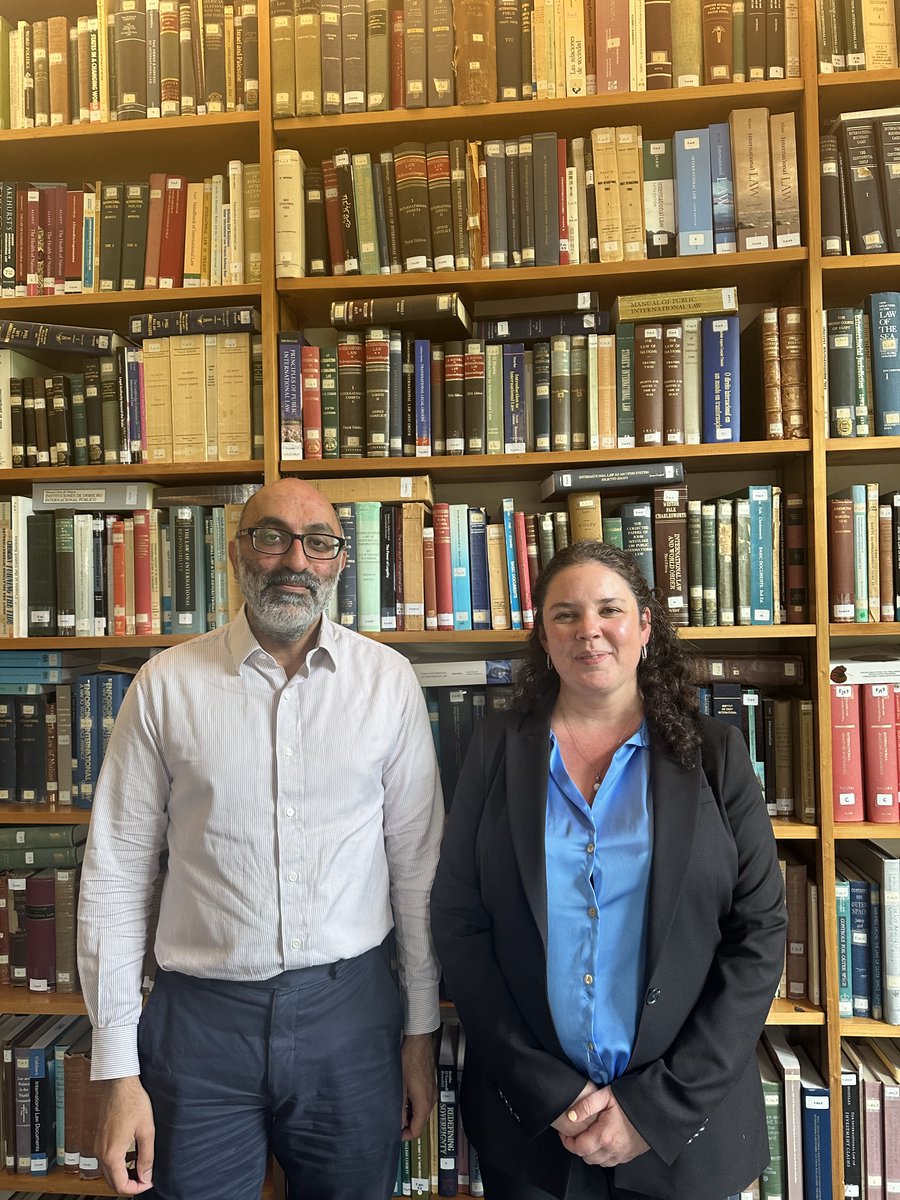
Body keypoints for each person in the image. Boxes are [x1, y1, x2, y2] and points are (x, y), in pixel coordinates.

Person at [77, 477, 445, 1200]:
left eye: (318, 543)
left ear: (341, 561)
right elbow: (116, 875)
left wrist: (420, 1035)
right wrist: (117, 1071)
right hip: (199, 1030)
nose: (294, 562)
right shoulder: (162, 687)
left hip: (353, 1018)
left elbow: (417, 870)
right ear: (237, 553)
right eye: (272, 537)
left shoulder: (388, 684)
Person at [430, 539, 787, 1200]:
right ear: (543, 633)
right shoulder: (491, 751)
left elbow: (759, 938)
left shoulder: (717, 754)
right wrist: (547, 1088)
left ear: (645, 626)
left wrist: (655, 1108)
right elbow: (459, 923)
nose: (588, 629)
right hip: (535, 1129)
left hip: (686, 1137)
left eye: (609, 610)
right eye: (564, 613)